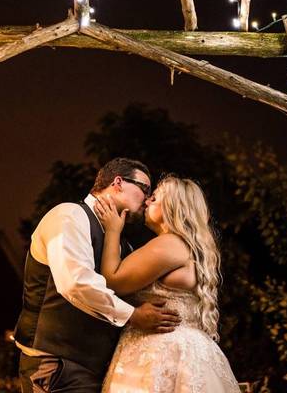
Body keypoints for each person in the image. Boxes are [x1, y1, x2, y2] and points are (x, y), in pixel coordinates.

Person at [15, 158, 182, 392]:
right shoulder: (69, 215)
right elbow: (76, 282)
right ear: (118, 182)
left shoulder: (122, 245)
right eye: (144, 188)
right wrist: (133, 315)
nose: (147, 198)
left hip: (98, 369)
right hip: (57, 364)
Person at [94, 175, 241, 392]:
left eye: (153, 198)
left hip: (162, 354)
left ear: (172, 206)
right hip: (190, 353)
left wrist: (113, 231)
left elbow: (114, 281)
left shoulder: (169, 244)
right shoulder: (187, 247)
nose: (145, 201)